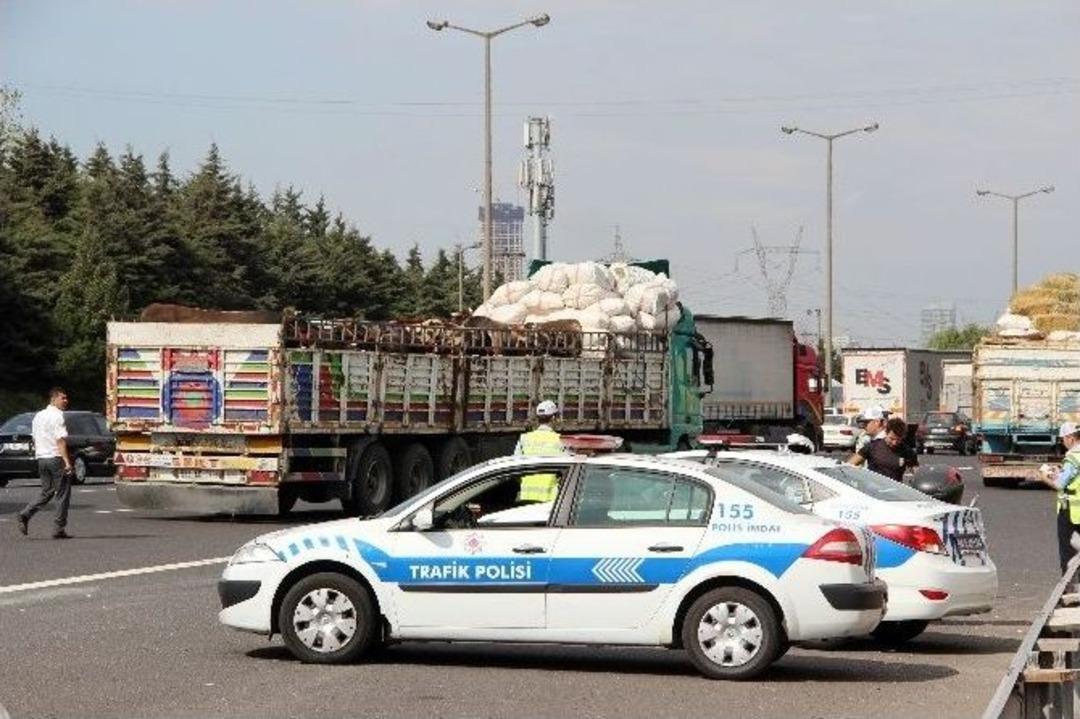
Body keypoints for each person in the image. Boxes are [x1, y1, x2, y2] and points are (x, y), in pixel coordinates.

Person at [16, 387, 74, 539]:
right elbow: (60, 440)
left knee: (47, 491)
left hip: (42, 458)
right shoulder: (58, 416)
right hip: (56, 458)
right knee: (62, 493)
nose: (66, 401)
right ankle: (59, 528)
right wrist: (67, 462)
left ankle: (25, 514)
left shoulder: (39, 416)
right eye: (63, 398)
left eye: (66, 398)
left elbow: (35, 437)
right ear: (53, 399)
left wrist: (40, 453)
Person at [1038, 422, 1080, 572]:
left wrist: (1044, 477)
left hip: (1071, 513)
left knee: (1068, 555)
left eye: (1063, 439)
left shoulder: (1073, 458)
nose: (1063, 442)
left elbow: (1060, 485)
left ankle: (1070, 585)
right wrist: (1061, 472)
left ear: (1071, 438)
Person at [513, 400, 565, 503]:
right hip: (550, 501)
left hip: (527, 498)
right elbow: (566, 471)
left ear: (538, 419)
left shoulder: (524, 439)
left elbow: (514, 469)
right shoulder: (560, 440)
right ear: (553, 418)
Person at [849, 416, 919, 482]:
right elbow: (849, 466)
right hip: (872, 488)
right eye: (892, 439)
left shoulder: (907, 451)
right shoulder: (872, 447)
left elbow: (917, 473)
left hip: (895, 489)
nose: (894, 443)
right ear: (886, 433)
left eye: (898, 440)